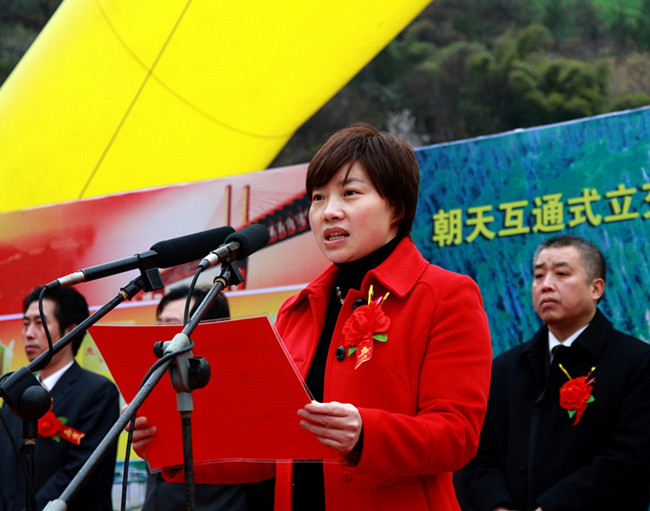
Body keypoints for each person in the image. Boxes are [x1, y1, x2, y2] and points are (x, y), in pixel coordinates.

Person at [130, 123, 493, 510]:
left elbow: (458, 435)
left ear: (397, 209)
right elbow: (268, 448)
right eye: (318, 198)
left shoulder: (445, 295)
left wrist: (365, 434)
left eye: (350, 193)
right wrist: (175, 447)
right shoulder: (298, 310)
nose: (329, 212)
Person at [462, 235, 650, 511]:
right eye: (539, 276)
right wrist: (497, 505)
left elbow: (629, 459)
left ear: (596, 288)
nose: (546, 285)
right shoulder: (505, 367)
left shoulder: (637, 362)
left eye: (561, 274)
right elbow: (479, 455)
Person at [0, 286, 120, 511]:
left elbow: (81, 473)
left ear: (71, 331)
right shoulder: (14, 394)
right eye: (26, 323)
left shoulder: (99, 392)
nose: (28, 333)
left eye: (40, 323)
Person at [142, 284, 255, 511]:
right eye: (158, 324)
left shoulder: (240, 392)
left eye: (171, 325)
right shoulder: (154, 381)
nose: (162, 335)